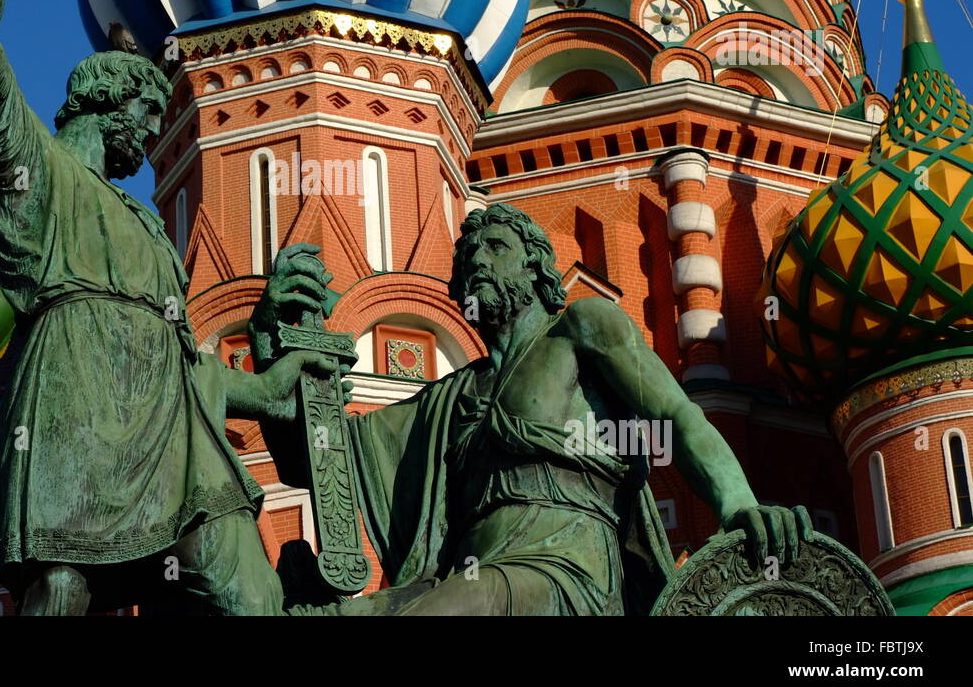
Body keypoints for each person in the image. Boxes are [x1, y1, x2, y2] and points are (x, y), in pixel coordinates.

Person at [0, 0, 325, 615]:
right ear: (104, 98)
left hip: (176, 435)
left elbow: (189, 364)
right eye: (150, 110)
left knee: (249, 596)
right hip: (72, 403)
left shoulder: (151, 230)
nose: (156, 134)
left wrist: (269, 375)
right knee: (61, 588)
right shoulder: (36, 174)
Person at [247, 204, 814, 614]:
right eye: (468, 254)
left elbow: (678, 418)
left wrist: (739, 506)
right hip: (462, 576)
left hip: (567, 570)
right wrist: (271, 346)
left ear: (538, 270)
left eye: (496, 248)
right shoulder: (450, 397)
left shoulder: (581, 329)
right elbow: (319, 466)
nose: (477, 261)